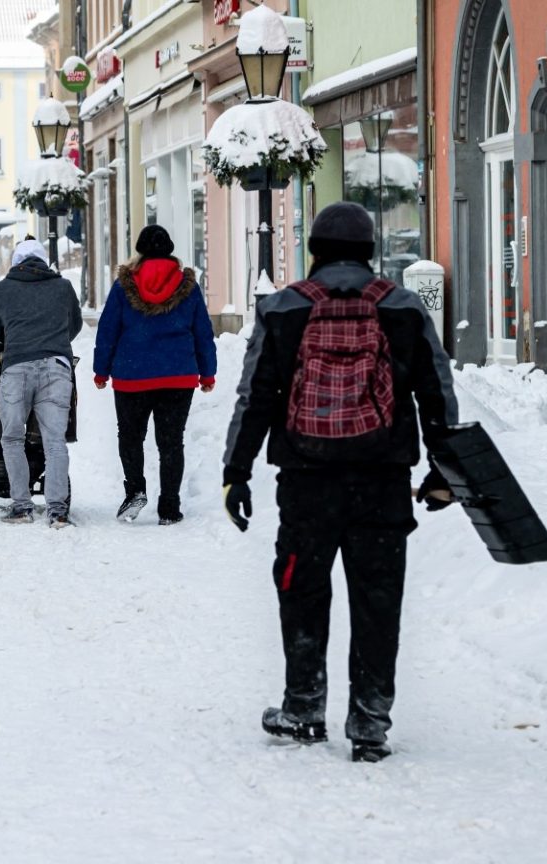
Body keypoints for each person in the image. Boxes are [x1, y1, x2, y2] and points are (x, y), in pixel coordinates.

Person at [221, 202, 458, 763]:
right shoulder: (400, 308)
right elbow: (436, 393)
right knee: (378, 600)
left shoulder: (283, 309)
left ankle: (303, 708)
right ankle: (370, 722)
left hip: (307, 483)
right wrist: (445, 470)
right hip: (382, 482)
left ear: (316, 251)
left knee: (303, 591)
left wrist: (237, 473)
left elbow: (255, 396)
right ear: (370, 250)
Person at [93, 225, 217, 526]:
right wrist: (207, 373)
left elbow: (108, 328)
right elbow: (202, 331)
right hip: (178, 376)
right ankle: (169, 507)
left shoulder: (125, 285)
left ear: (140, 250)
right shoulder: (188, 286)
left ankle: (135, 490)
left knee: (131, 437)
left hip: (132, 374)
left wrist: (101, 370)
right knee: (171, 442)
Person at [0, 239, 83, 528]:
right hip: (57, 370)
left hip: (17, 369)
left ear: (16, 261)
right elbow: (74, 325)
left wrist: (6, 341)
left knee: (12, 437)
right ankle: (58, 511)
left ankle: (22, 507)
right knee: (54, 441)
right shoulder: (63, 287)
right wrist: (54, 342)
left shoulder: (2, 290)